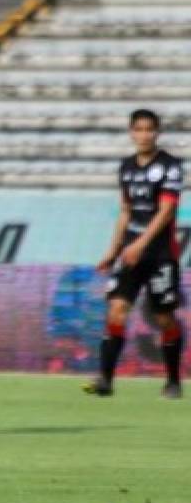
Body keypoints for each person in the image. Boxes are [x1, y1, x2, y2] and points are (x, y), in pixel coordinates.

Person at [87, 110, 183, 399]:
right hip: (130, 252)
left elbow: (166, 212)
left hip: (160, 254)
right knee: (116, 309)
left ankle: (173, 380)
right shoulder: (126, 167)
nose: (143, 135)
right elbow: (126, 211)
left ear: (157, 133)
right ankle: (105, 379)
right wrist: (113, 250)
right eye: (138, 129)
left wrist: (141, 244)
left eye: (149, 130)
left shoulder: (170, 166)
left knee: (164, 318)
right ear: (131, 132)